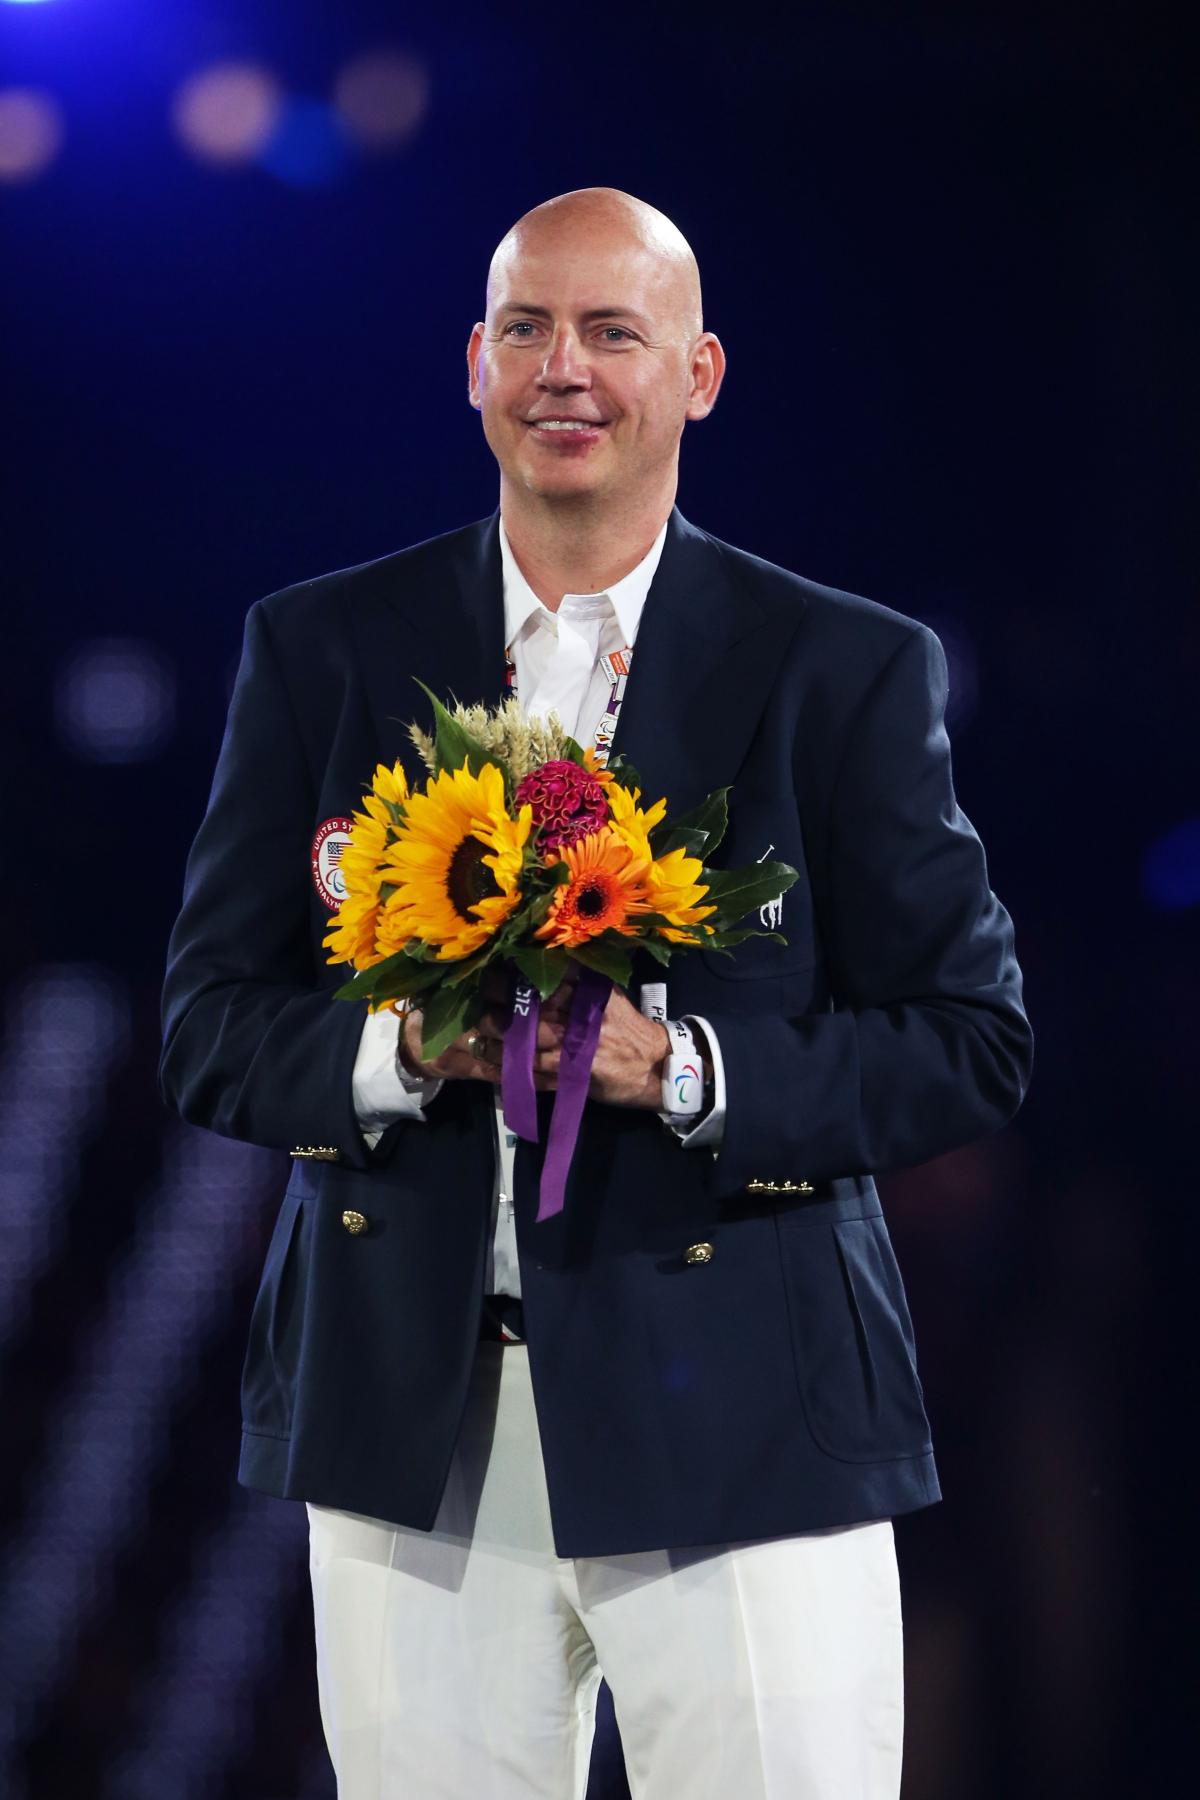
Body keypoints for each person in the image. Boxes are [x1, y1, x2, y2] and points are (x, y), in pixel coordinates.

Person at [161, 188, 1033, 1799]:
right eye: (526, 329)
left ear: (697, 373)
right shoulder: (322, 649)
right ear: (473, 366)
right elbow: (207, 1023)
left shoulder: (838, 666)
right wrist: (396, 1048)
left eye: (612, 332)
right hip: (408, 1427)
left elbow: (971, 1044)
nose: (564, 369)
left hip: (747, 1422)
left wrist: (687, 1069)